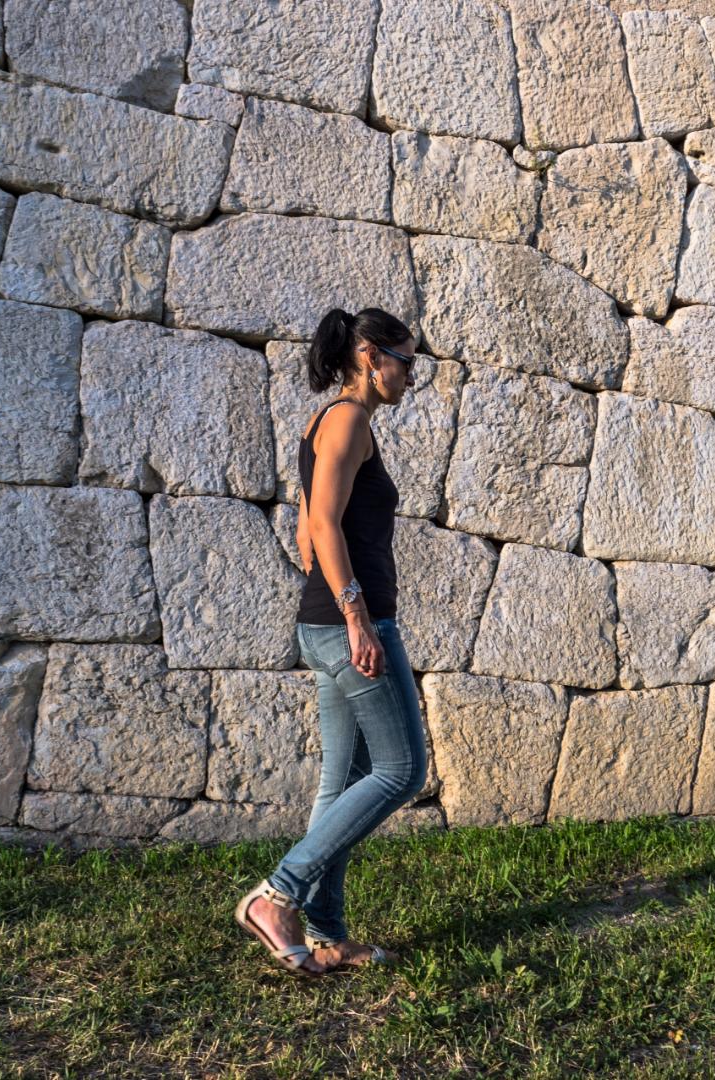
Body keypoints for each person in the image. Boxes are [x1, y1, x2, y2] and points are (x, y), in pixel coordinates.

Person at [235, 306, 428, 976]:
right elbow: (320, 521)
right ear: (371, 356)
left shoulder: (329, 424)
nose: (411, 376)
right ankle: (277, 895)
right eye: (407, 362)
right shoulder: (347, 419)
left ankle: (327, 934)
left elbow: (307, 531)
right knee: (403, 771)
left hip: (325, 623)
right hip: (350, 625)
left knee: (340, 782)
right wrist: (356, 616)